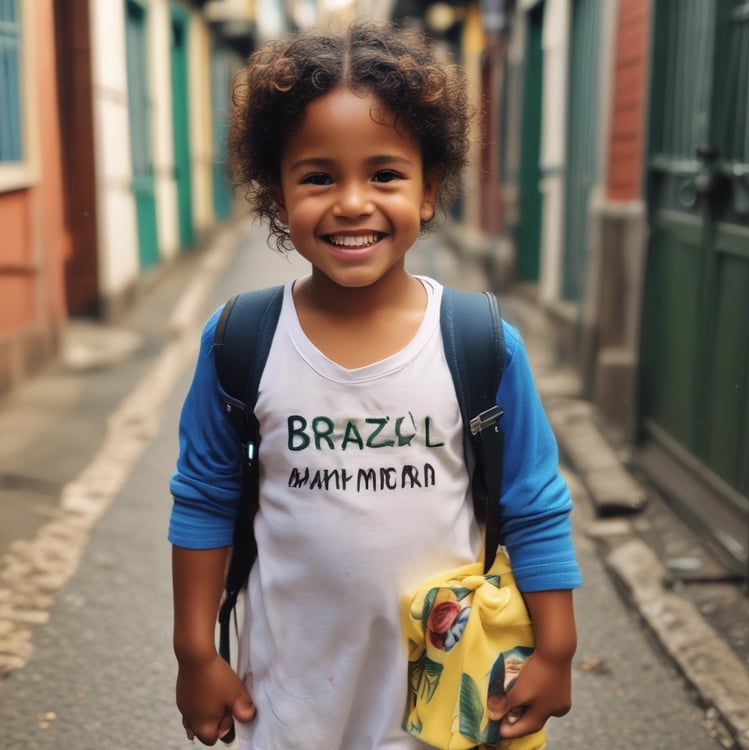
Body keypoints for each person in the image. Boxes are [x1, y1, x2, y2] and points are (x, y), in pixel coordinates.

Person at [168, 20, 581, 749]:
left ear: (429, 190)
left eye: (385, 174)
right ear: (276, 190)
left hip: (443, 694)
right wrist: (196, 653)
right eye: (319, 176)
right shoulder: (241, 342)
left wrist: (557, 649)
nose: (352, 202)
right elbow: (205, 498)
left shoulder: (479, 344)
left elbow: (533, 501)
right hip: (291, 693)